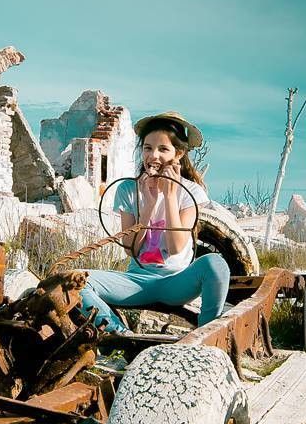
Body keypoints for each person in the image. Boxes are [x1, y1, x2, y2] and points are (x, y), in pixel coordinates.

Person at [78, 112, 229, 334]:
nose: (153, 155)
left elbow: (176, 246)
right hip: (136, 282)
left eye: (163, 149)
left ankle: (206, 336)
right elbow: (131, 249)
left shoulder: (191, 192)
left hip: (176, 283)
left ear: (178, 154)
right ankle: (122, 335)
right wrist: (147, 205)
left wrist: (169, 195)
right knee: (77, 282)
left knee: (216, 264)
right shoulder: (128, 189)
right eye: (147, 148)